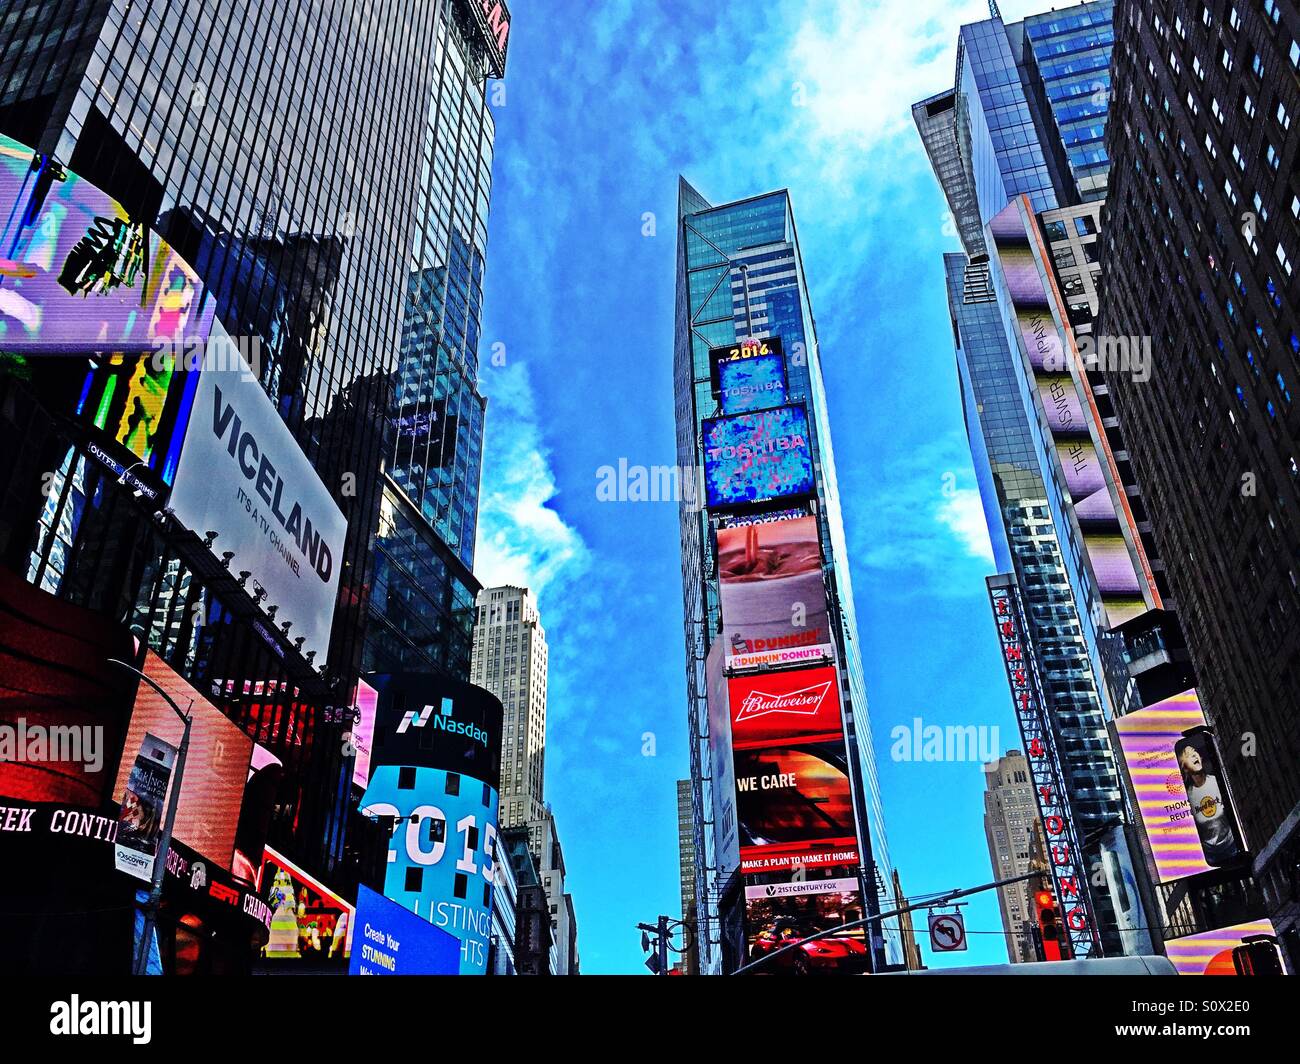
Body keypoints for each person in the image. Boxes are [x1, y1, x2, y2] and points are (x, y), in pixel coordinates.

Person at [1174, 736, 1240, 865]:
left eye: (1194, 753)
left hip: (1232, 846)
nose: (1194, 756)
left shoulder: (1216, 781)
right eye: (1188, 756)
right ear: (1185, 768)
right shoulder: (1187, 796)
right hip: (1211, 856)